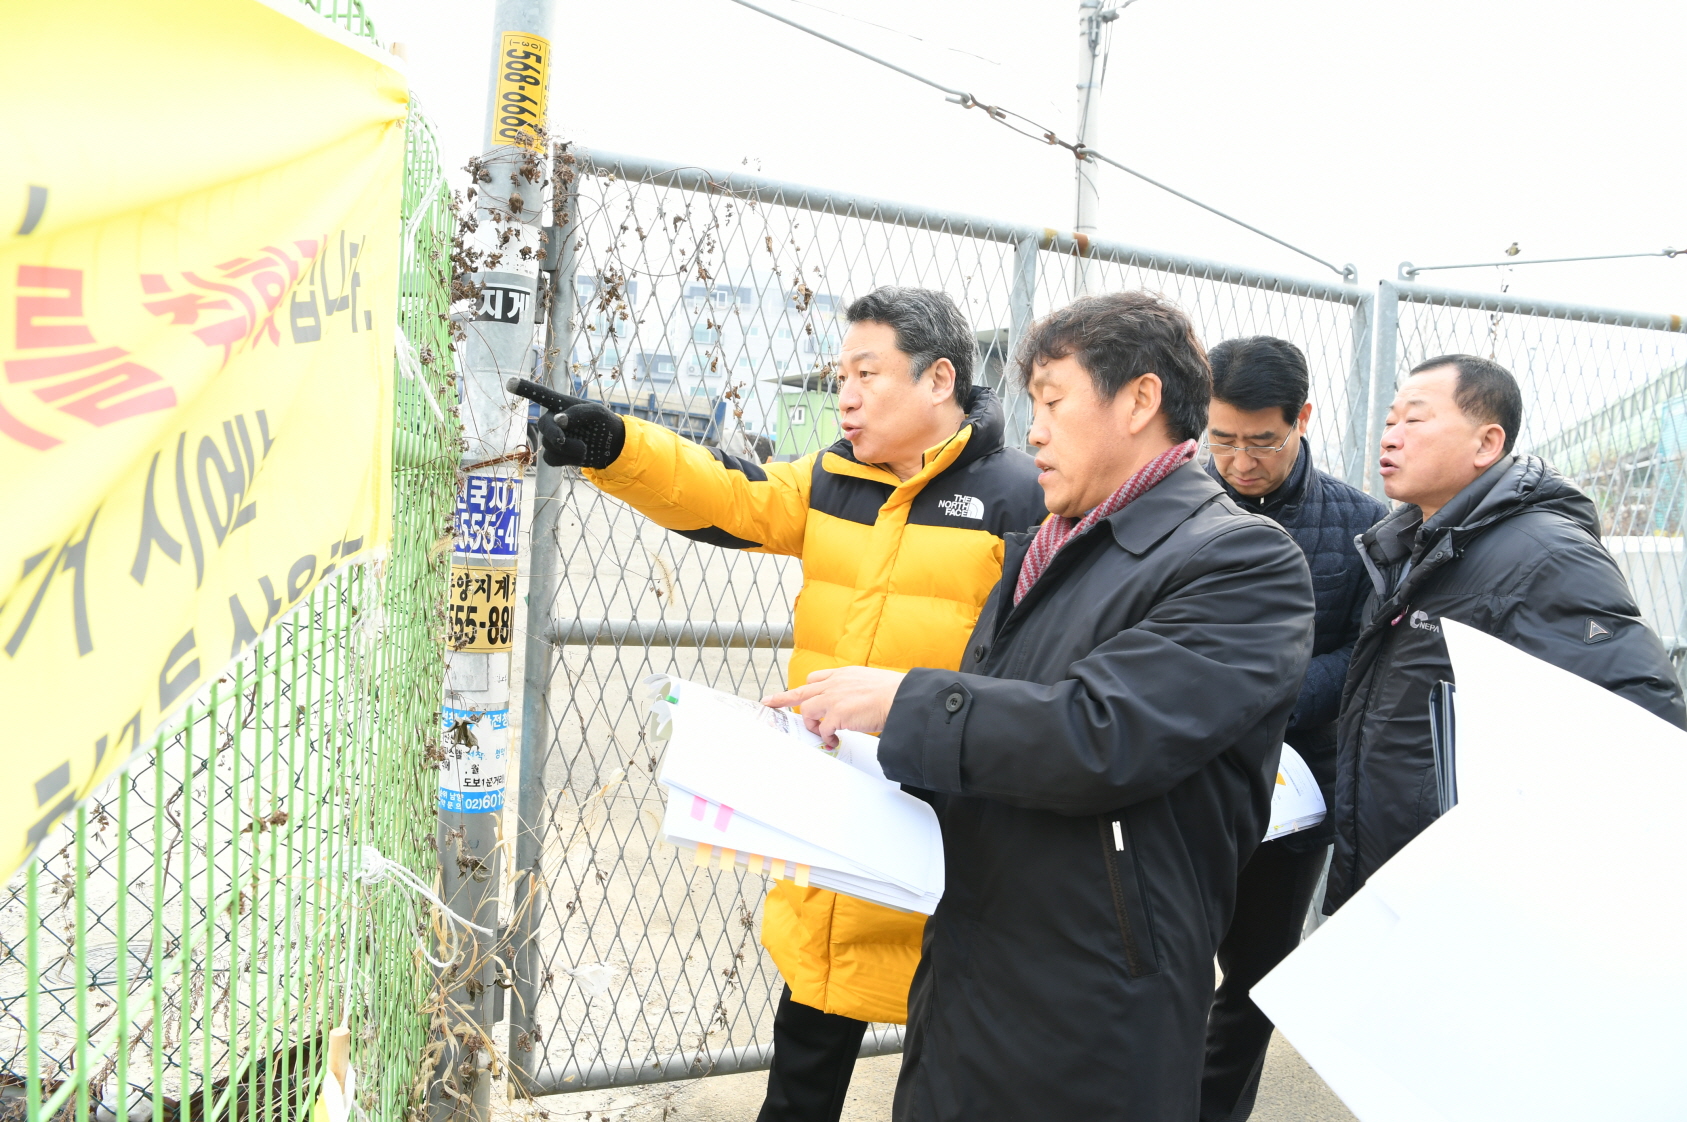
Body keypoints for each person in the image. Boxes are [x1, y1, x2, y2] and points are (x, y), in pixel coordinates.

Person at [765, 292, 1317, 1120]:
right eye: (1032, 406)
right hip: (973, 962)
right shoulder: (1051, 547)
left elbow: (1100, 736)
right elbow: (993, 738)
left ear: (1138, 400)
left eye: (1053, 402)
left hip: (1092, 996)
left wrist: (905, 702)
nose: (1032, 431)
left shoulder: (1239, 561)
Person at [531, 286, 1045, 1122]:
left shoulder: (1019, 497)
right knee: (813, 1023)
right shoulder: (830, 479)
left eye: (866, 373)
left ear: (938, 379)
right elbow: (728, 497)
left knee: (954, 1050)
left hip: (956, 815)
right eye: (839, 373)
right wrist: (616, 445)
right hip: (836, 806)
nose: (842, 392)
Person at [1327, 354, 1686, 912]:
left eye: (1414, 421)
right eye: (1390, 420)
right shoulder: (1412, 544)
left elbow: (1642, 721)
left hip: (1474, 890)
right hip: (1405, 877)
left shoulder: (1545, 554)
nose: (1390, 438)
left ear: (1487, 443)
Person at [1199, 337, 1386, 1122]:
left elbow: (1367, 653)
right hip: (1181, 781)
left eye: (1262, 441)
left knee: (1257, 975)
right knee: (1159, 965)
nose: (1239, 461)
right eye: (1222, 439)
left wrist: (1270, 699)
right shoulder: (1171, 503)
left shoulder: (1361, 525)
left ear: (1301, 419)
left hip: (1292, 789)